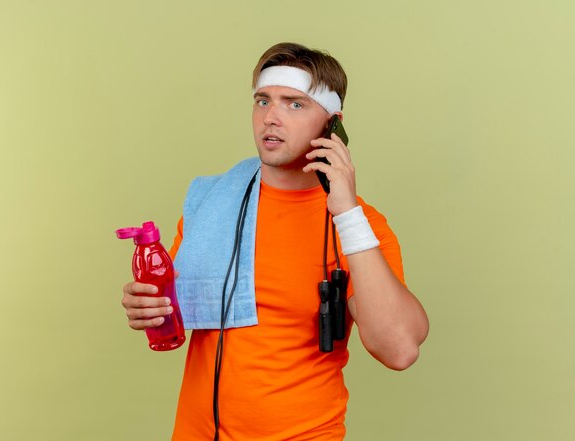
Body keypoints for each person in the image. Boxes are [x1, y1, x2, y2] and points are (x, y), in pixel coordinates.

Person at [121, 42, 429, 440]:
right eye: (263, 101)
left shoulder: (360, 227)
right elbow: (177, 313)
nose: (271, 117)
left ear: (332, 124)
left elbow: (400, 349)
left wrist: (347, 215)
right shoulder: (211, 205)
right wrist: (147, 305)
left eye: (294, 104)